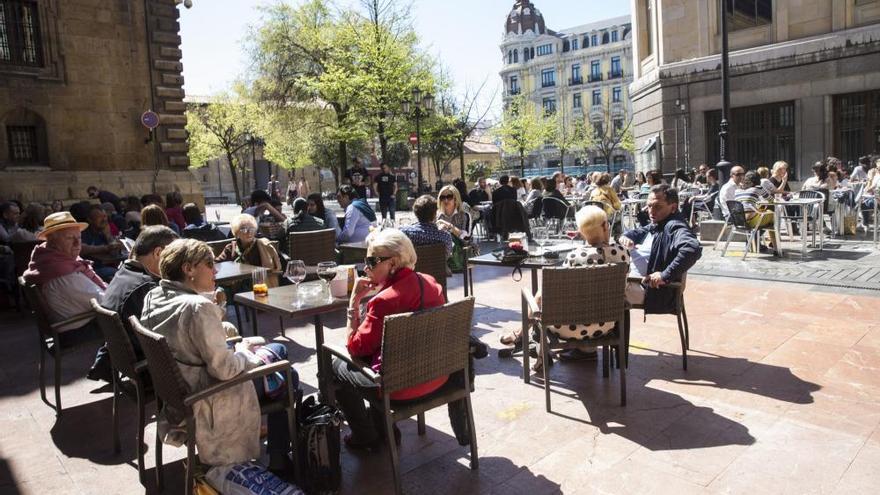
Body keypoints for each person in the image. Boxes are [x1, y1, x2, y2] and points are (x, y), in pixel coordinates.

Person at [140, 238, 297, 473]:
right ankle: (279, 457)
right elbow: (224, 370)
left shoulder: (153, 296)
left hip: (179, 394)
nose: (215, 270)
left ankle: (277, 449)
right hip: (209, 398)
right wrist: (243, 352)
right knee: (287, 372)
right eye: (209, 263)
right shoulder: (196, 308)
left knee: (275, 353)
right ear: (188, 269)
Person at [331, 229, 448, 449]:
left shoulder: (384, 301)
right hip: (436, 375)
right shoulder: (432, 283)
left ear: (392, 263)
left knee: (334, 366)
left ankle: (366, 437)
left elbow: (355, 347)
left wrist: (353, 304)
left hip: (399, 388)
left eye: (372, 261)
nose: (366, 268)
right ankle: (385, 427)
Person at [526, 206, 632, 370]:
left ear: (581, 232)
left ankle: (534, 346)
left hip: (567, 329)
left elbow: (548, 297)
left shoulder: (574, 257)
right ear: (605, 226)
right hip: (606, 326)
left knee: (539, 298)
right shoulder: (622, 253)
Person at [22, 212, 108, 378]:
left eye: (79, 237)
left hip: (69, 320)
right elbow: (105, 302)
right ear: (52, 242)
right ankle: (111, 367)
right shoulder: (62, 273)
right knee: (129, 315)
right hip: (74, 329)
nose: (77, 243)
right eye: (70, 238)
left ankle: (106, 365)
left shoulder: (47, 259)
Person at [92, 226, 179, 379]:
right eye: (175, 256)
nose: (176, 262)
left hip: (126, 364)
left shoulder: (124, 272)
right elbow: (171, 337)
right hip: (153, 372)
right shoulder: (147, 288)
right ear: (158, 253)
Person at [618, 185, 702, 313]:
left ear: (673, 207)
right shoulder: (659, 223)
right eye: (649, 206)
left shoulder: (674, 226)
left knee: (606, 291)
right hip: (638, 283)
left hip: (654, 292)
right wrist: (626, 236)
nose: (651, 211)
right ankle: (616, 332)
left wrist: (664, 275)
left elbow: (692, 249)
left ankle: (612, 332)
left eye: (657, 206)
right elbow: (642, 230)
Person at [216, 214, 282, 286]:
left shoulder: (262, 246)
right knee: (221, 291)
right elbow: (217, 264)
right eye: (244, 229)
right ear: (236, 232)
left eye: (252, 229)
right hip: (234, 284)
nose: (249, 232)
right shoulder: (231, 248)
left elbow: (277, 268)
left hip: (258, 283)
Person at [735, 171, 779, 251]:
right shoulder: (758, 188)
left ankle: (753, 242)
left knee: (763, 213)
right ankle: (776, 248)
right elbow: (771, 200)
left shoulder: (737, 190)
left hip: (739, 221)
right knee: (772, 215)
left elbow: (746, 204)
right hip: (751, 222)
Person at [80, 204, 124, 281]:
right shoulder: (84, 233)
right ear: (90, 219)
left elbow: (115, 253)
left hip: (109, 268)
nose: (104, 219)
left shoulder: (105, 231)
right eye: (100, 217)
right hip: (92, 270)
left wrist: (108, 235)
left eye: (105, 216)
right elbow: (82, 249)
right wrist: (105, 248)